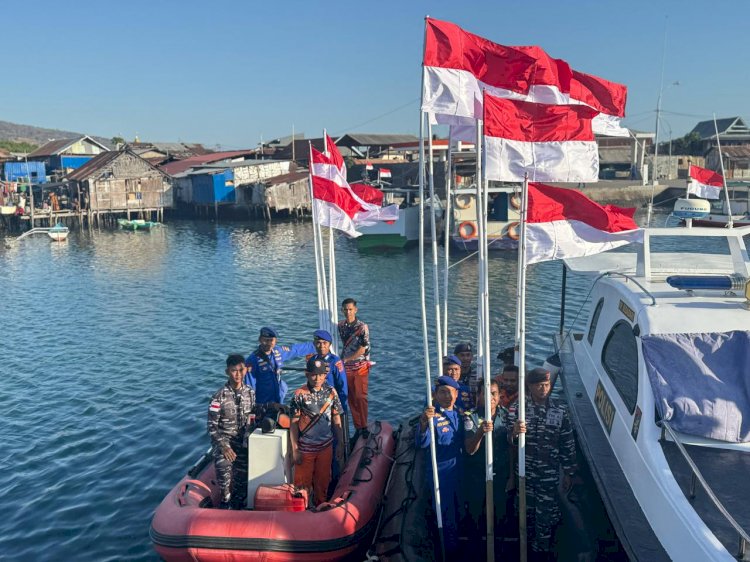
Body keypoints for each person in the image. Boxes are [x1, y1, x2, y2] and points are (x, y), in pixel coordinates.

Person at [507, 367, 576, 558]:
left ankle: (542, 552)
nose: (543, 389)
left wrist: (569, 472)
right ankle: (524, 549)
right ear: (529, 386)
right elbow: (507, 441)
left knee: (546, 517)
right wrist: (514, 432)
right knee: (525, 515)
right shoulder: (518, 409)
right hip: (525, 474)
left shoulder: (559, 410)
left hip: (549, 475)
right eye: (539, 385)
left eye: (546, 385)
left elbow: (567, 442)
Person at [417, 375, 464, 556]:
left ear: (456, 393)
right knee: (446, 513)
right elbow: (422, 443)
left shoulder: (460, 414)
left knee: (460, 507)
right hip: (441, 472)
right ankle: (449, 550)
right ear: (435, 395)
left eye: (450, 392)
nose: (447, 396)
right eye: (443, 392)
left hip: (460, 469)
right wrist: (423, 424)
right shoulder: (432, 417)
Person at [462, 379, 513, 548]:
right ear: (479, 395)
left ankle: (499, 549)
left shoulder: (506, 415)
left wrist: (512, 476)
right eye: (486, 393)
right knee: (475, 516)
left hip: (500, 476)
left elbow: (511, 447)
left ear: (499, 396)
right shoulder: (471, 417)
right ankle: (474, 550)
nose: (490, 397)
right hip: (477, 476)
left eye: (494, 393)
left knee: (500, 515)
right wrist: (480, 433)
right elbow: (470, 449)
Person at [289, 355, 345, 506]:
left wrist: (340, 443)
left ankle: (320, 507)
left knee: (323, 484)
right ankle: (301, 514)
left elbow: (336, 419)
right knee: (302, 486)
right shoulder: (299, 394)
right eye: (313, 374)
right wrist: (295, 449)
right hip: (306, 449)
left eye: (320, 374)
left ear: (325, 375)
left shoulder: (331, 392)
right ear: (307, 374)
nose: (317, 378)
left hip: (325, 448)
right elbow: (293, 423)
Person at [207, 354, 257, 509]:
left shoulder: (250, 393)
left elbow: (253, 418)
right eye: (234, 371)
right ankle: (225, 501)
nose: (238, 374)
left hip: (243, 442)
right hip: (225, 442)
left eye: (241, 370)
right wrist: (223, 447)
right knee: (224, 469)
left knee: (244, 478)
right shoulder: (218, 397)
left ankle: (239, 504)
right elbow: (211, 426)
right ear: (227, 372)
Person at [244, 327, 315, 409]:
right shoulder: (252, 361)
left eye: (271, 340)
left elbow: (296, 350)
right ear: (259, 340)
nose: (269, 343)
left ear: (275, 341)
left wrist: (315, 345)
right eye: (266, 340)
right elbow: (249, 388)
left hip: (278, 400)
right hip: (263, 404)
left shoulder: (278, 352)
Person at [337, 298, 370, 432]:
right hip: (346, 368)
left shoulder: (362, 327)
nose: (348, 312)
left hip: (360, 366)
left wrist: (347, 359)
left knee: (360, 397)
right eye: (345, 309)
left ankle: (364, 425)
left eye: (350, 309)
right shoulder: (340, 326)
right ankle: (358, 427)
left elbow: (364, 348)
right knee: (350, 398)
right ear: (342, 310)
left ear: (355, 310)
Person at [454, 342, 480, 406]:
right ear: (456, 357)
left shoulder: (478, 375)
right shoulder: (452, 376)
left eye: (468, 355)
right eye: (462, 355)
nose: (465, 358)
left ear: (472, 357)